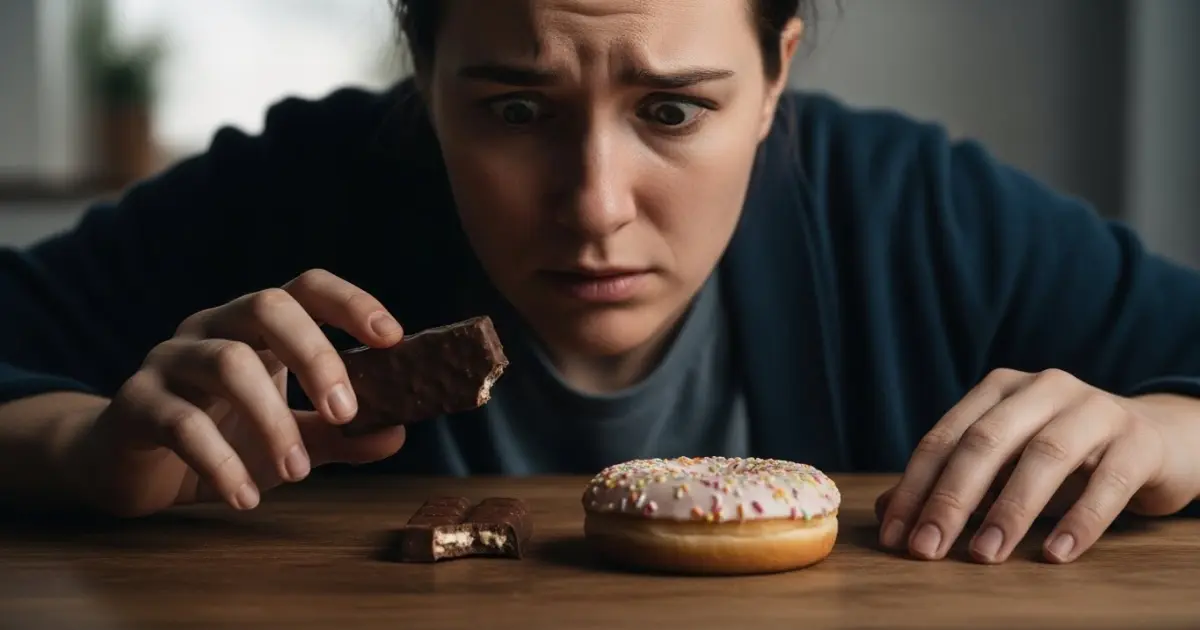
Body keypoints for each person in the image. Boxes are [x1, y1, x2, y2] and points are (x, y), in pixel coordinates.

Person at [2, 0, 1200, 567]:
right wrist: (84, 451)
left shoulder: (915, 208)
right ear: (424, 74)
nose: (595, 204)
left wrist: (1166, 427)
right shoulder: (292, 191)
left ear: (777, 73)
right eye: (515, 110)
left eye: (673, 110)